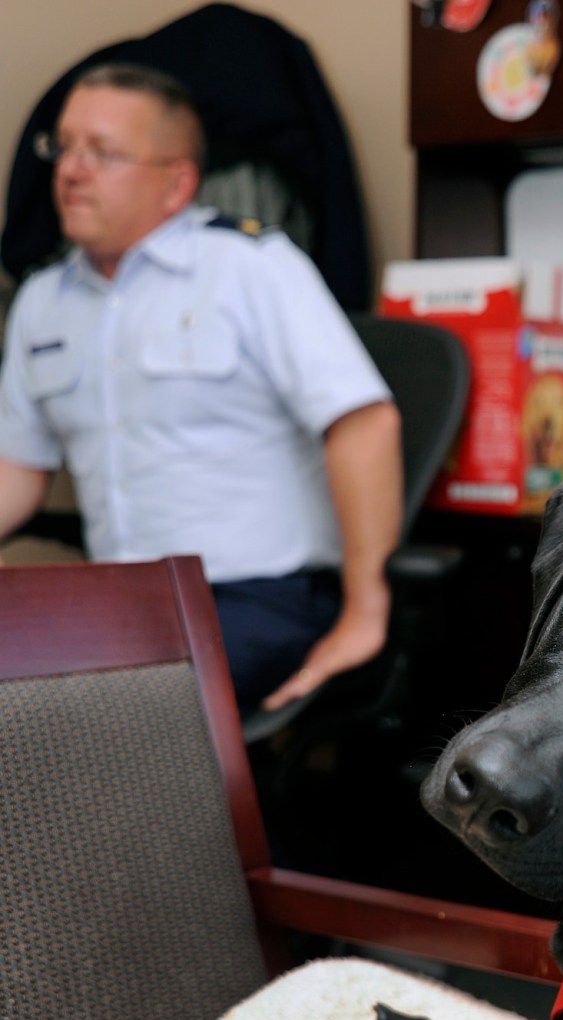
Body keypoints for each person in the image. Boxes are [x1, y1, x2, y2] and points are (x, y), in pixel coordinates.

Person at [0, 63, 403, 717]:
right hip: (121, 607)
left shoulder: (250, 268)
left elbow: (363, 423)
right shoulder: (43, 300)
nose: (71, 170)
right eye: (64, 146)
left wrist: (364, 612)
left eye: (101, 152)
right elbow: (17, 468)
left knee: (77, 715)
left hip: (258, 596)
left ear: (176, 182)